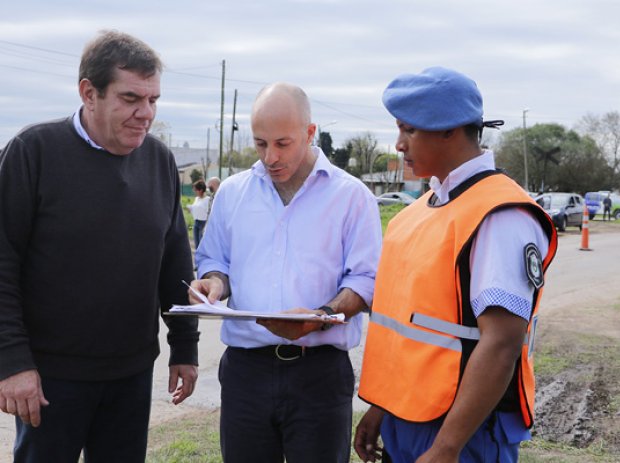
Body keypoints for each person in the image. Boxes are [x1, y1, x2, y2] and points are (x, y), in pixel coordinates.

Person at [0, 30, 199, 462]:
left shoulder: (160, 161)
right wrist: (12, 362)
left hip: (131, 373)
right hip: (50, 379)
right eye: (131, 98)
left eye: (153, 100)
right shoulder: (32, 153)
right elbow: (2, 265)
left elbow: (173, 261)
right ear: (89, 92)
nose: (145, 113)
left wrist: (184, 346)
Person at [354, 67, 558, 463]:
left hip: (463, 432)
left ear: (448, 129)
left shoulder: (500, 215)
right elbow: (408, 327)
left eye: (409, 130)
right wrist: (381, 407)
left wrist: (447, 447)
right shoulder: (415, 214)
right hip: (407, 417)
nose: (399, 145)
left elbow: (501, 342)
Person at [190, 83, 381, 463]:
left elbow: (366, 280)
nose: (270, 157)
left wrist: (319, 317)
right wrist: (213, 282)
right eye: (260, 144)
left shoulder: (351, 196)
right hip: (246, 372)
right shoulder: (232, 193)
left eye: (282, 143)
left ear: (310, 133)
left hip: (319, 375)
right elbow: (216, 260)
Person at [188, 179, 211, 248]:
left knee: (202, 245)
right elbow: (195, 208)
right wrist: (190, 209)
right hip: (196, 223)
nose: (194, 192)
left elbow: (209, 213)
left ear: (200, 190)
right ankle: (197, 258)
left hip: (203, 224)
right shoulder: (196, 199)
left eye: (195, 190)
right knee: (196, 244)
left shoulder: (208, 200)